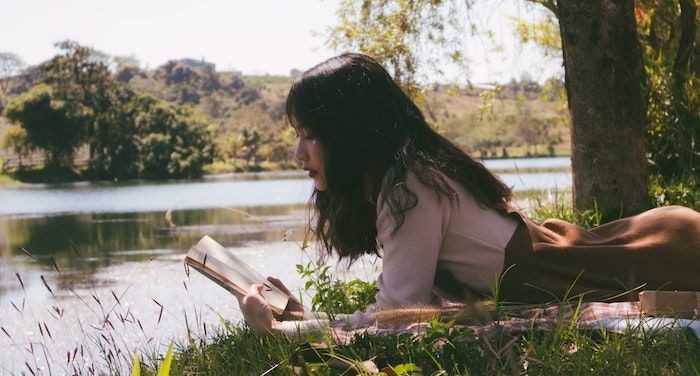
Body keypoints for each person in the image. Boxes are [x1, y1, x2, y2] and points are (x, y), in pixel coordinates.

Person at [233, 52, 700, 336]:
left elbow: (397, 316)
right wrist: (299, 317)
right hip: (626, 248)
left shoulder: (409, 187)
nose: (298, 152)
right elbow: (407, 306)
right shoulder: (408, 176)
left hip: (664, 255)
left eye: (310, 134)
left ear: (350, 134)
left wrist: (295, 326)